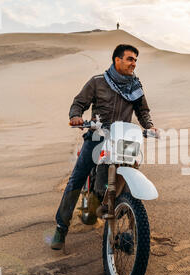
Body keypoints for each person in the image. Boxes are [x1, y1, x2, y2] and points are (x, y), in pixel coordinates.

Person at [51, 44, 158, 250]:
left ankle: (125, 216)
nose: (133, 63)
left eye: (135, 60)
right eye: (129, 59)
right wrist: (75, 116)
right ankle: (61, 228)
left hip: (123, 139)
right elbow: (79, 102)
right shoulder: (98, 82)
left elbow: (143, 111)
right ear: (117, 60)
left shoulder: (135, 86)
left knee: (129, 174)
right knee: (77, 178)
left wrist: (150, 126)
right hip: (98, 136)